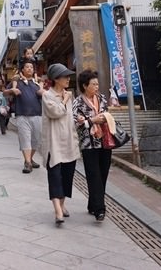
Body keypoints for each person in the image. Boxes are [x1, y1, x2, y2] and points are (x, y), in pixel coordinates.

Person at [40, 63, 81, 226]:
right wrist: (64, 100)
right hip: (54, 143)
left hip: (69, 142)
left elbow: (69, 118)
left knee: (67, 177)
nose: (68, 79)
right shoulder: (47, 96)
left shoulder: (68, 96)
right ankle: (57, 211)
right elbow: (56, 112)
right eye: (65, 76)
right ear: (56, 79)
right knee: (55, 176)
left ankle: (62, 205)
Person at [73, 69, 111, 222]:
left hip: (105, 141)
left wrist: (102, 118)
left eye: (97, 84)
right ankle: (100, 209)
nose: (97, 86)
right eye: (93, 84)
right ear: (84, 86)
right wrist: (92, 121)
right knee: (93, 175)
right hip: (89, 144)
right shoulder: (78, 102)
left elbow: (107, 114)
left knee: (103, 174)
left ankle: (92, 204)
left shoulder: (102, 98)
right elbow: (76, 123)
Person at [5, 59, 44, 173]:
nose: (29, 69)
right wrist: (12, 90)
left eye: (31, 67)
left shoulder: (37, 82)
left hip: (37, 114)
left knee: (36, 140)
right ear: (22, 69)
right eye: (27, 67)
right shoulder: (17, 81)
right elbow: (4, 93)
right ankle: (27, 163)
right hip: (22, 115)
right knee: (25, 139)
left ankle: (30, 159)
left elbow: (45, 94)